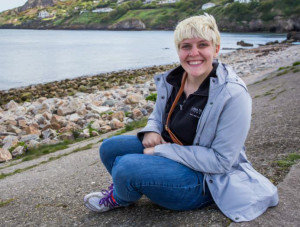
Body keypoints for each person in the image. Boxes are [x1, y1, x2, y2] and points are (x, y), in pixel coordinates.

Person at [84, 14, 278, 222]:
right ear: (178, 50)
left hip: (204, 178)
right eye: (186, 46)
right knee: (109, 148)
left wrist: (161, 150)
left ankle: (120, 197)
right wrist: (152, 129)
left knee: (125, 166)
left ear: (216, 49)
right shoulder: (174, 80)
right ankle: (131, 189)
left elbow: (221, 161)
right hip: (173, 152)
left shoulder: (234, 94)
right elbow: (158, 114)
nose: (194, 53)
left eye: (202, 45)